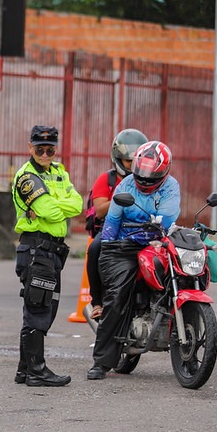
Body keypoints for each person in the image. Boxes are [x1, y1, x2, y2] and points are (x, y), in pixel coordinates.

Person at [87, 141, 180, 380]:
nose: (146, 180)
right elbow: (112, 223)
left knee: (182, 273)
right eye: (142, 174)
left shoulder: (171, 187)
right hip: (124, 245)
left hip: (157, 243)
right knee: (116, 296)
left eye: (153, 176)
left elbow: (168, 217)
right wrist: (108, 248)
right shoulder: (125, 185)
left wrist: (153, 232)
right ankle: (101, 362)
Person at [11, 125, 82, 387]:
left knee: (46, 308)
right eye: (39, 148)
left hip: (52, 251)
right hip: (36, 249)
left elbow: (77, 204)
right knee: (38, 309)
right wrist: (49, 207)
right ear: (30, 147)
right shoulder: (26, 177)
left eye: (50, 148)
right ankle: (37, 371)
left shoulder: (58, 171)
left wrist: (50, 204)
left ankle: (24, 369)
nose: (44, 153)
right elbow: (50, 212)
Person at [85, 129, 147, 321]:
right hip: (113, 228)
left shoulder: (148, 179)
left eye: (138, 160)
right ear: (118, 159)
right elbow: (100, 209)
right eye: (130, 161)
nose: (134, 165)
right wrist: (122, 200)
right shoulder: (107, 179)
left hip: (143, 230)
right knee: (95, 248)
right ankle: (97, 302)